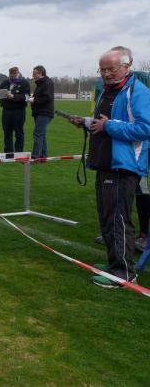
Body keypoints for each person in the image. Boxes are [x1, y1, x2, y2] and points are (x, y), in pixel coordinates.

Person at [69, 46, 150, 288]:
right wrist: (86, 123)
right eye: (102, 69)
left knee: (117, 219)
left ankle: (123, 273)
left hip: (123, 166)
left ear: (127, 66)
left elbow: (145, 128)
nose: (105, 73)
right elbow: (106, 122)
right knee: (107, 218)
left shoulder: (138, 92)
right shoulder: (108, 90)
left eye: (110, 69)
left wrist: (109, 126)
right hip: (104, 162)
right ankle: (115, 263)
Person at [0, 67, 31, 152]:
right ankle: (8, 152)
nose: (12, 77)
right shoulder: (5, 82)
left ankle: (19, 152)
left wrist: (13, 96)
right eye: (11, 75)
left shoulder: (24, 83)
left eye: (14, 75)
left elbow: (27, 97)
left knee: (18, 132)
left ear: (18, 73)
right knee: (7, 132)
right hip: (6, 110)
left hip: (19, 111)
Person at [29, 65, 54, 158]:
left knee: (37, 134)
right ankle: (43, 155)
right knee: (42, 134)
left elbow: (47, 97)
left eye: (34, 73)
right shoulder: (41, 83)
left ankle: (35, 156)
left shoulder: (47, 83)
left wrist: (34, 100)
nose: (33, 75)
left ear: (40, 73)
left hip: (44, 112)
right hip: (39, 112)